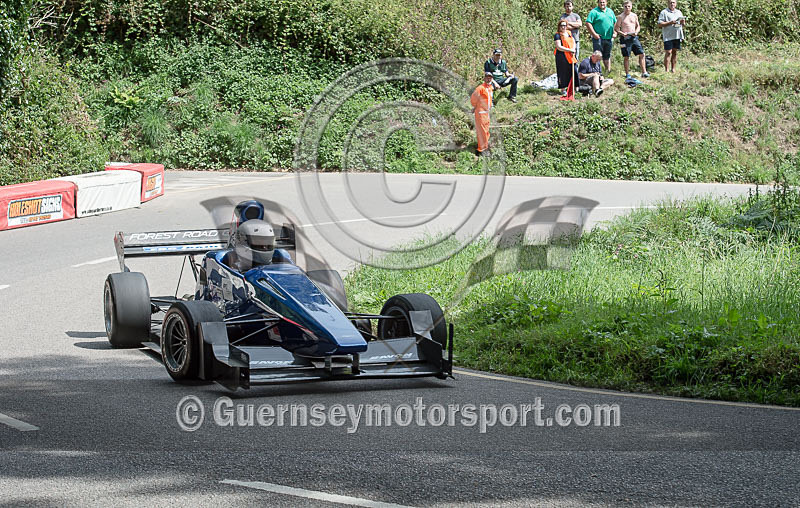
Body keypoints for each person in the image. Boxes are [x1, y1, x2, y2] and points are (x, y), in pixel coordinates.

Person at [614, 0, 648, 78]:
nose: (627, 8)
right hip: (625, 38)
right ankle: (627, 74)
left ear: (631, 7)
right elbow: (616, 28)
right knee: (626, 56)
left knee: (642, 53)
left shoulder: (634, 15)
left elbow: (638, 26)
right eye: (625, 6)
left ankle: (644, 72)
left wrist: (636, 32)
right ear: (623, 7)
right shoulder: (620, 17)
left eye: (629, 6)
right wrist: (623, 33)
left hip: (634, 37)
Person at [585, 0, 616, 73]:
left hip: (609, 37)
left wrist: (615, 32)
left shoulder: (610, 11)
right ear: (598, 3)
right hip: (598, 38)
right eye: (600, 2)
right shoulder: (594, 12)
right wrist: (594, 34)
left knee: (607, 56)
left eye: (603, 2)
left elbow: (615, 23)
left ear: (606, 2)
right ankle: (596, 72)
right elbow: (588, 23)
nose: (602, 4)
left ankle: (608, 72)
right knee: (597, 55)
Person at [657, 0, 685, 72]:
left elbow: (680, 25)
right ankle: (666, 70)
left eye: (673, 2)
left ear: (676, 3)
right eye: (670, 2)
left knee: (675, 52)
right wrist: (670, 22)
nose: (672, 4)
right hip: (668, 36)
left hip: (677, 35)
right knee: (668, 52)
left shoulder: (679, 12)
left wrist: (682, 23)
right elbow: (660, 24)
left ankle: (673, 69)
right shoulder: (664, 12)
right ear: (668, 3)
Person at [471, 72, 494, 155]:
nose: (489, 79)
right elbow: (474, 98)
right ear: (484, 78)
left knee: (486, 130)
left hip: (487, 112)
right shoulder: (480, 88)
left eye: (490, 77)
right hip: (481, 112)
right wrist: (475, 106)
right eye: (487, 77)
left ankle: (485, 146)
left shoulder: (490, 87)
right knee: (482, 131)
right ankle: (482, 150)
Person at [554, 20, 579, 97]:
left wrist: (573, 49)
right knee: (563, 72)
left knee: (574, 70)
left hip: (571, 55)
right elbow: (558, 47)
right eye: (561, 25)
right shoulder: (557, 35)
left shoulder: (569, 33)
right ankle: (563, 89)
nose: (563, 27)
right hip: (561, 55)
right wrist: (569, 50)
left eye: (564, 25)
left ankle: (576, 88)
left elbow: (574, 41)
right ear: (559, 26)